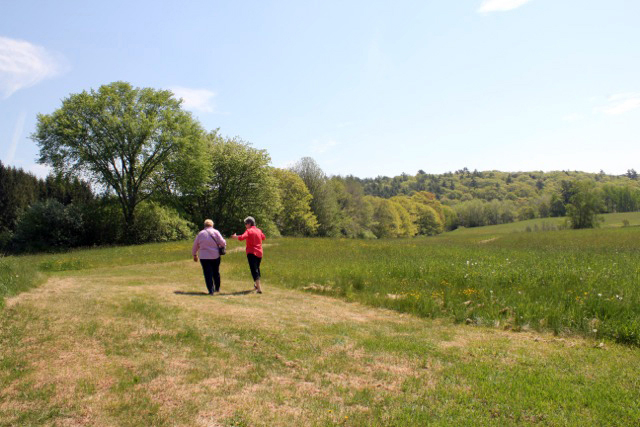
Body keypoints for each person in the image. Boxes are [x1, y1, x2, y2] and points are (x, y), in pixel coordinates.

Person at [231, 216, 266, 293]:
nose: (245, 225)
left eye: (246, 223)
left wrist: (235, 237)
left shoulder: (249, 230)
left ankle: (259, 289)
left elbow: (242, 237)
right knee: (257, 268)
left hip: (251, 252)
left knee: (254, 270)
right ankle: (257, 285)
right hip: (259, 252)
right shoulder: (259, 230)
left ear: (249, 223)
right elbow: (263, 237)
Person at [192, 219, 226, 295]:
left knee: (207, 274)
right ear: (212, 225)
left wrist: (194, 254)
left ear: (204, 225)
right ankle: (217, 288)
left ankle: (210, 290)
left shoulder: (200, 234)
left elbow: (195, 245)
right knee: (216, 272)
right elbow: (223, 243)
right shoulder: (216, 232)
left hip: (204, 257)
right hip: (215, 256)